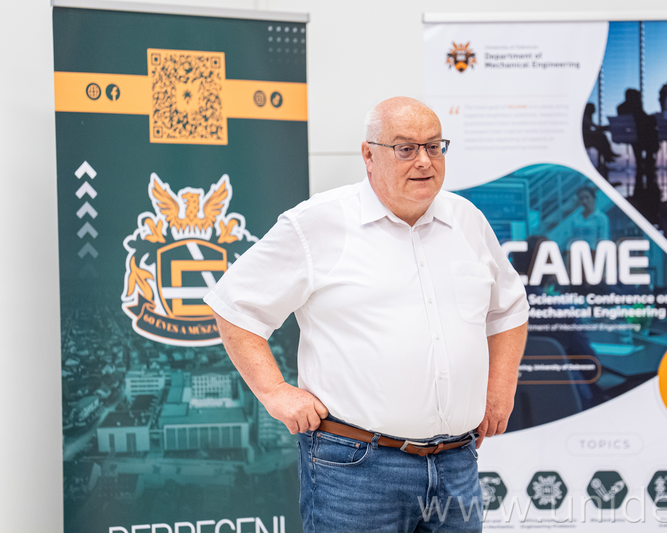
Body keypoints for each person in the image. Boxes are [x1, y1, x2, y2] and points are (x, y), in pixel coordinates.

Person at [204, 96, 529, 532]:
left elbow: (508, 308)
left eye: (434, 146)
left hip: (457, 466)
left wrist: (501, 388)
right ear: (369, 155)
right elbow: (234, 305)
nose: (424, 161)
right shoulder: (317, 223)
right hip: (355, 469)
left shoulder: (466, 219)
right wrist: (275, 392)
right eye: (405, 148)